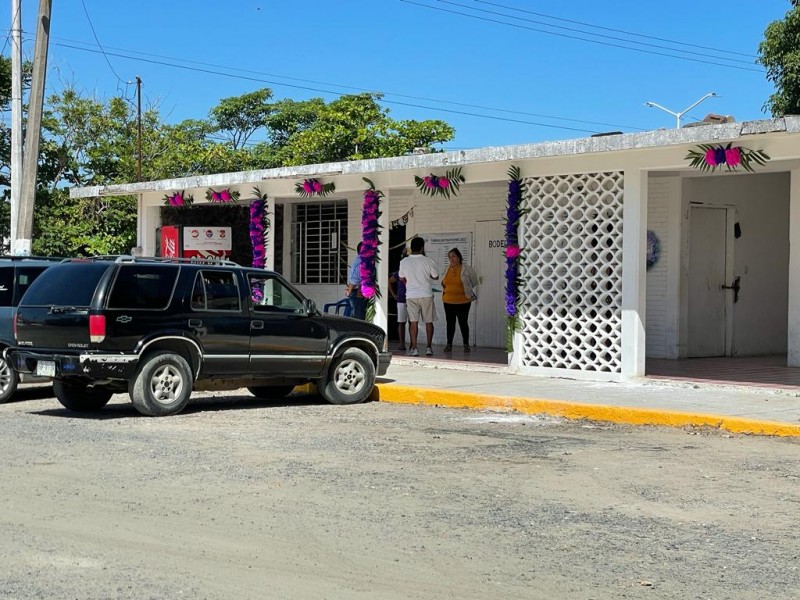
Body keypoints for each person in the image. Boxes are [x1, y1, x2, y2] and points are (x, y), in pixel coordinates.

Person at [398, 237, 439, 357]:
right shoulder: (428, 261)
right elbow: (435, 276)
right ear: (422, 247)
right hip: (426, 294)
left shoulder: (404, 262)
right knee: (428, 321)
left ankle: (414, 348)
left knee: (413, 322)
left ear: (411, 248)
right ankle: (428, 348)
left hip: (411, 295)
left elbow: (401, 277)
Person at [441, 247, 479, 353]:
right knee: (450, 323)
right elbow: (443, 282)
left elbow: (474, 281)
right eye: (449, 257)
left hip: (463, 301)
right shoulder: (446, 269)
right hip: (448, 301)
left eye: (453, 256)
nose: (451, 259)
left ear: (459, 257)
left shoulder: (467, 268)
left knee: (463, 322)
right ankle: (449, 345)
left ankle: (466, 345)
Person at [388, 248, 409, 351]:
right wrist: (394, 294)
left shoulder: (412, 271)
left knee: (413, 322)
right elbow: (389, 282)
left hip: (411, 297)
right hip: (401, 298)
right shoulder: (398, 273)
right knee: (401, 322)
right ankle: (402, 343)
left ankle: (412, 343)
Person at [345, 242, 367, 320]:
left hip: (356, 292)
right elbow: (354, 280)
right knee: (358, 320)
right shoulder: (360, 263)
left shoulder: (360, 261)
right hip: (356, 293)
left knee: (357, 318)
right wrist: (349, 291)